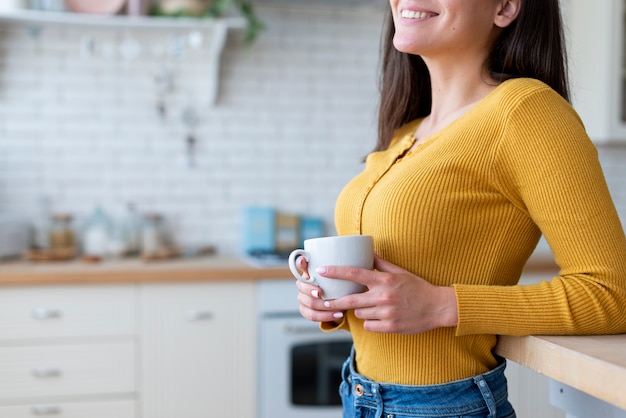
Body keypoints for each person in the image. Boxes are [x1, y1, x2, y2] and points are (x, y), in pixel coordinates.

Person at [295, 0, 626, 417]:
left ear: (505, 7)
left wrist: (443, 305)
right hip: (360, 396)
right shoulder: (406, 134)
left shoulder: (526, 112)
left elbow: (613, 293)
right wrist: (334, 302)